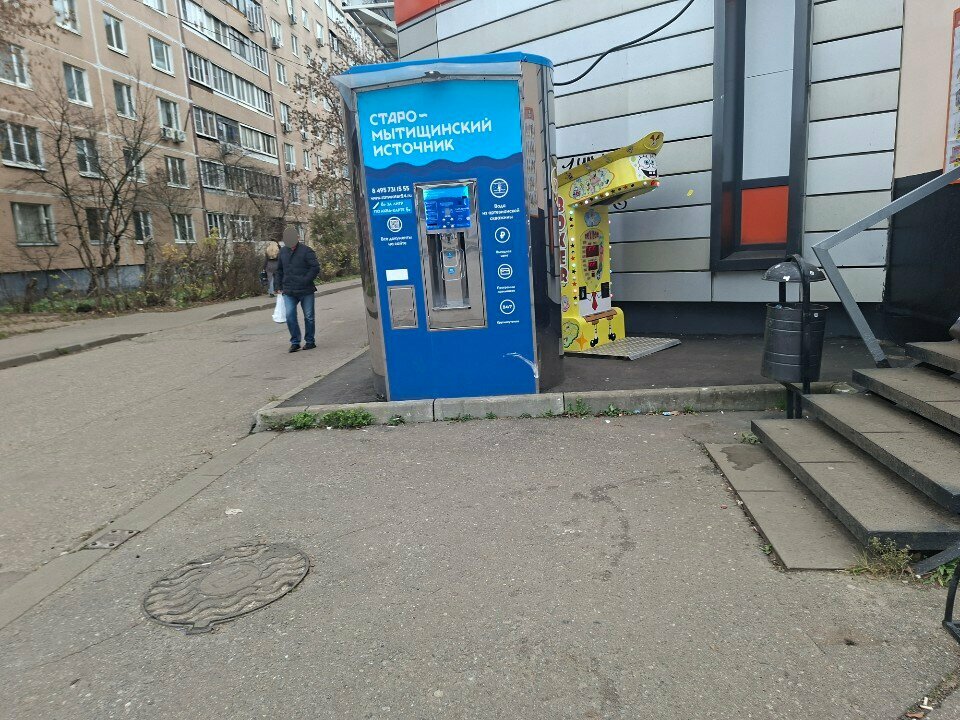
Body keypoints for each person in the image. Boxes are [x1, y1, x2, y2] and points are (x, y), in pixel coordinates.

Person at [275, 227, 319, 352]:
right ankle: (295, 342)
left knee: (309, 317)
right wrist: (278, 286)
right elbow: (279, 270)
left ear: (297, 238)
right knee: (290, 316)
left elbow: (315, 267)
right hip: (289, 291)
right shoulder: (282, 252)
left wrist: (305, 280)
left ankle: (310, 341)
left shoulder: (307, 251)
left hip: (306, 290)